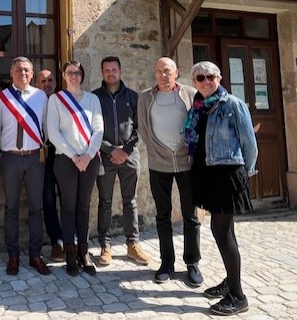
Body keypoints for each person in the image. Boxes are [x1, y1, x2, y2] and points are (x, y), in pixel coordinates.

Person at [183, 61, 257, 316]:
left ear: (220, 78)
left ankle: (238, 296)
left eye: (210, 77)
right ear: (194, 82)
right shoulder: (198, 107)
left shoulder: (232, 104)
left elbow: (250, 143)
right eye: (200, 78)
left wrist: (245, 174)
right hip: (207, 174)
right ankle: (230, 282)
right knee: (227, 232)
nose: (206, 81)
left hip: (227, 174)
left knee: (221, 231)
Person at [138, 56, 202, 286]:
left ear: (176, 72)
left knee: (190, 215)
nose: (163, 75)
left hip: (187, 163)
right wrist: (160, 150)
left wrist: (187, 148)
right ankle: (167, 263)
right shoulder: (145, 97)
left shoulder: (191, 94)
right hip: (159, 163)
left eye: (167, 71)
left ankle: (192, 263)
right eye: (159, 71)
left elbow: (198, 124)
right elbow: (143, 128)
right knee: (162, 215)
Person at [46, 61, 103, 276]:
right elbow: (53, 132)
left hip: (89, 159)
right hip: (65, 160)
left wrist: (88, 155)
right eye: (70, 73)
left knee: (84, 206)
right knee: (68, 206)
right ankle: (70, 250)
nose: (74, 76)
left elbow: (98, 129)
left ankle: (83, 251)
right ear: (63, 75)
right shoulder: (56, 99)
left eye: (77, 73)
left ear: (82, 75)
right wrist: (74, 156)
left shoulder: (92, 99)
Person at [0, 56, 50, 276]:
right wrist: (9, 148)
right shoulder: (1, 98)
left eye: (27, 70)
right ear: (11, 73)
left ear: (32, 73)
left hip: (35, 158)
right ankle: (13, 256)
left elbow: (45, 127)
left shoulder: (40, 96)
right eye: (18, 69)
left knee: (36, 208)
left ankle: (35, 254)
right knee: (12, 209)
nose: (23, 73)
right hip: (11, 159)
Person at [93, 56, 150, 267]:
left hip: (129, 156)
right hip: (105, 156)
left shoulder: (133, 97)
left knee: (130, 200)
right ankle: (105, 245)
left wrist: (124, 150)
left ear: (120, 71)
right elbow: (92, 129)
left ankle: (132, 244)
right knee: (105, 201)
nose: (111, 73)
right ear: (102, 73)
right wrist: (111, 150)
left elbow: (140, 128)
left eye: (114, 69)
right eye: (107, 70)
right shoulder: (94, 98)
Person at [35, 69, 64, 262]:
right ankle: (56, 242)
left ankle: (72, 240)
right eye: (43, 81)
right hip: (42, 157)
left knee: (68, 200)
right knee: (48, 201)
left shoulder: (63, 100)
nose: (47, 83)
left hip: (62, 155)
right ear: (36, 84)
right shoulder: (32, 101)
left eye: (50, 80)